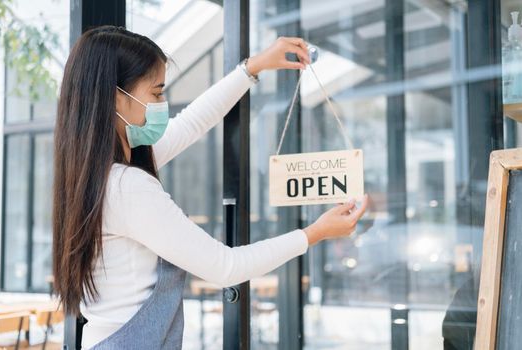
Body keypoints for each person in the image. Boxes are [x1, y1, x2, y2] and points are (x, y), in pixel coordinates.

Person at [52, 25, 369, 349]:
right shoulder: (127, 187)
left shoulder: (95, 175)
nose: (163, 103)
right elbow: (225, 267)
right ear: (118, 98)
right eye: (157, 93)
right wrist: (315, 232)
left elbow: (192, 122)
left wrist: (251, 68)